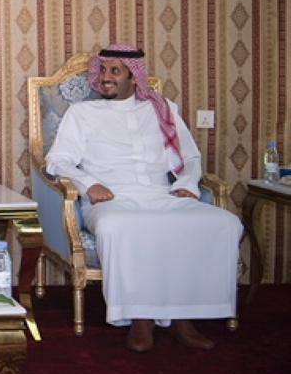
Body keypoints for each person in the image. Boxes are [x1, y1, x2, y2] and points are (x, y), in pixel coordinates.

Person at [46, 44, 241, 353]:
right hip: (111, 199)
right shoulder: (83, 112)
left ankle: (183, 317)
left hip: (161, 194)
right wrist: (89, 184)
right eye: (103, 69)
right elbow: (58, 160)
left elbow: (190, 156)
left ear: (134, 76)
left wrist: (187, 183)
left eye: (115, 71)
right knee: (117, 226)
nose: (105, 77)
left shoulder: (163, 109)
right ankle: (140, 318)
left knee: (225, 223)